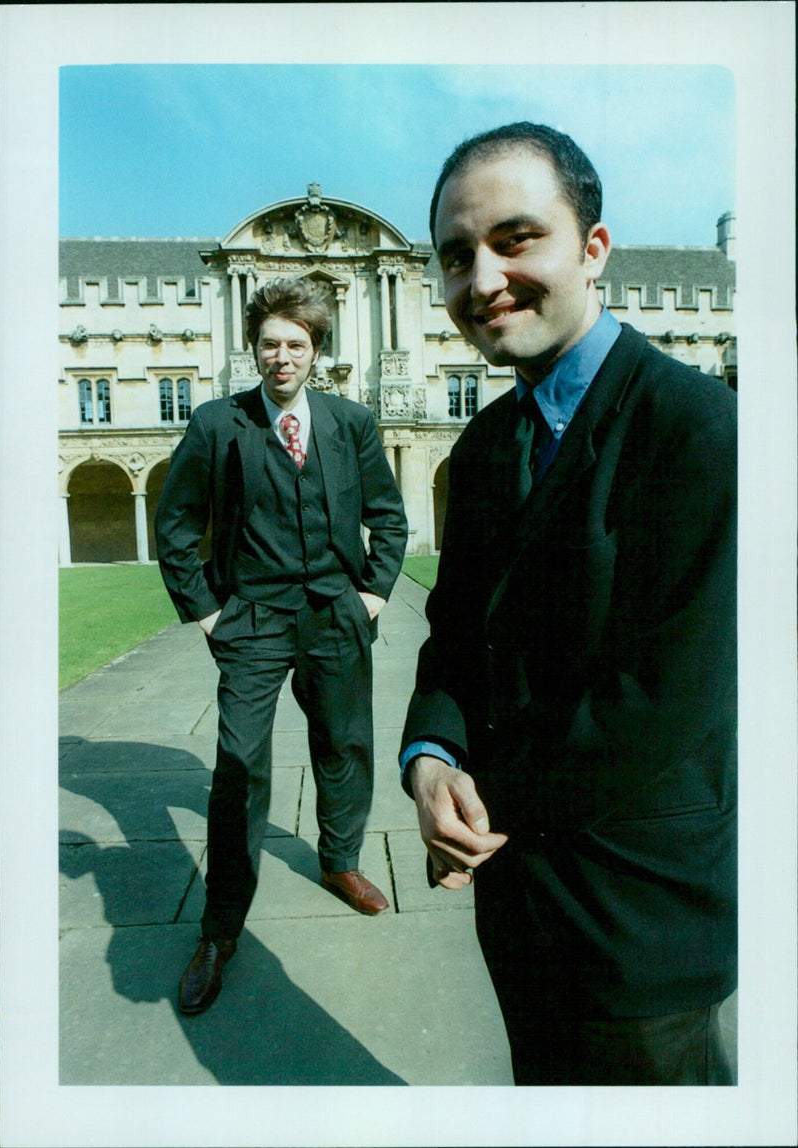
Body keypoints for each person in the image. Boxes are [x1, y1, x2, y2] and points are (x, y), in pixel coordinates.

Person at [400, 123, 737, 1085]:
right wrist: (431, 761)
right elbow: (456, 640)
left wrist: (480, 810)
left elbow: (665, 698)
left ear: (593, 249)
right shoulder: (484, 446)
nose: (483, 277)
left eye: (516, 239)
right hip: (517, 904)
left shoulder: (699, 429)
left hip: (642, 920)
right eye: (457, 257)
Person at [156, 277, 407, 1015]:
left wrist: (372, 597)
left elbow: (389, 519)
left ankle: (341, 863)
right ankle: (219, 930)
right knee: (239, 766)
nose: (281, 356)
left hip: (336, 613)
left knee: (345, 743)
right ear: (253, 348)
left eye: (296, 343)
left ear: (316, 351)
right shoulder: (215, 424)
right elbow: (176, 526)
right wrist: (205, 614)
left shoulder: (350, 422)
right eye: (269, 343)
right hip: (253, 620)